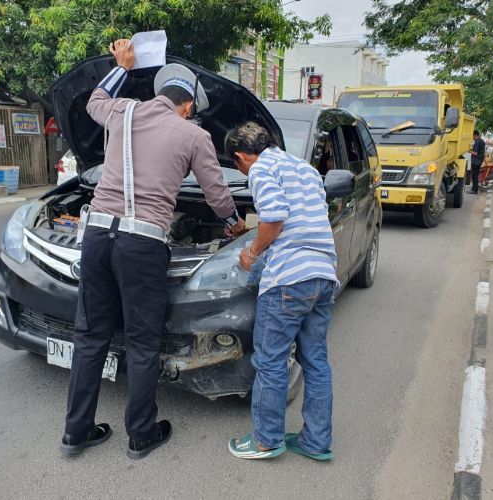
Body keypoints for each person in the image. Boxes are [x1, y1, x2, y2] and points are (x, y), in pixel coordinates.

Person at [60, 39, 246, 459]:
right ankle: (141, 434)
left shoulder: (121, 110)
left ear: (160, 93)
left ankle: (76, 432)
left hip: (96, 236)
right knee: (142, 342)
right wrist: (234, 222)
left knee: (89, 337)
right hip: (141, 245)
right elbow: (216, 194)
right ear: (187, 106)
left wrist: (122, 66)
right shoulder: (193, 134)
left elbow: (93, 100)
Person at [224, 122, 338, 461]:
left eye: (237, 166)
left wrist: (251, 252)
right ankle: (316, 442)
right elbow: (306, 218)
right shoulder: (306, 170)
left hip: (288, 279)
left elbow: (274, 219)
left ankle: (266, 440)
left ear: (241, 156)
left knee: (271, 361)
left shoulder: (261, 169)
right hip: (323, 274)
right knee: (316, 362)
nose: (243, 173)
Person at [468, 130, 486, 194]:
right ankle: (474, 188)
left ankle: (475, 190)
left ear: (475, 135)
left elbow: (475, 153)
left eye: (472, 136)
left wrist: (469, 151)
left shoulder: (477, 142)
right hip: (479, 161)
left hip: (476, 161)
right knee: (475, 175)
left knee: (474, 176)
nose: (472, 137)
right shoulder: (481, 141)